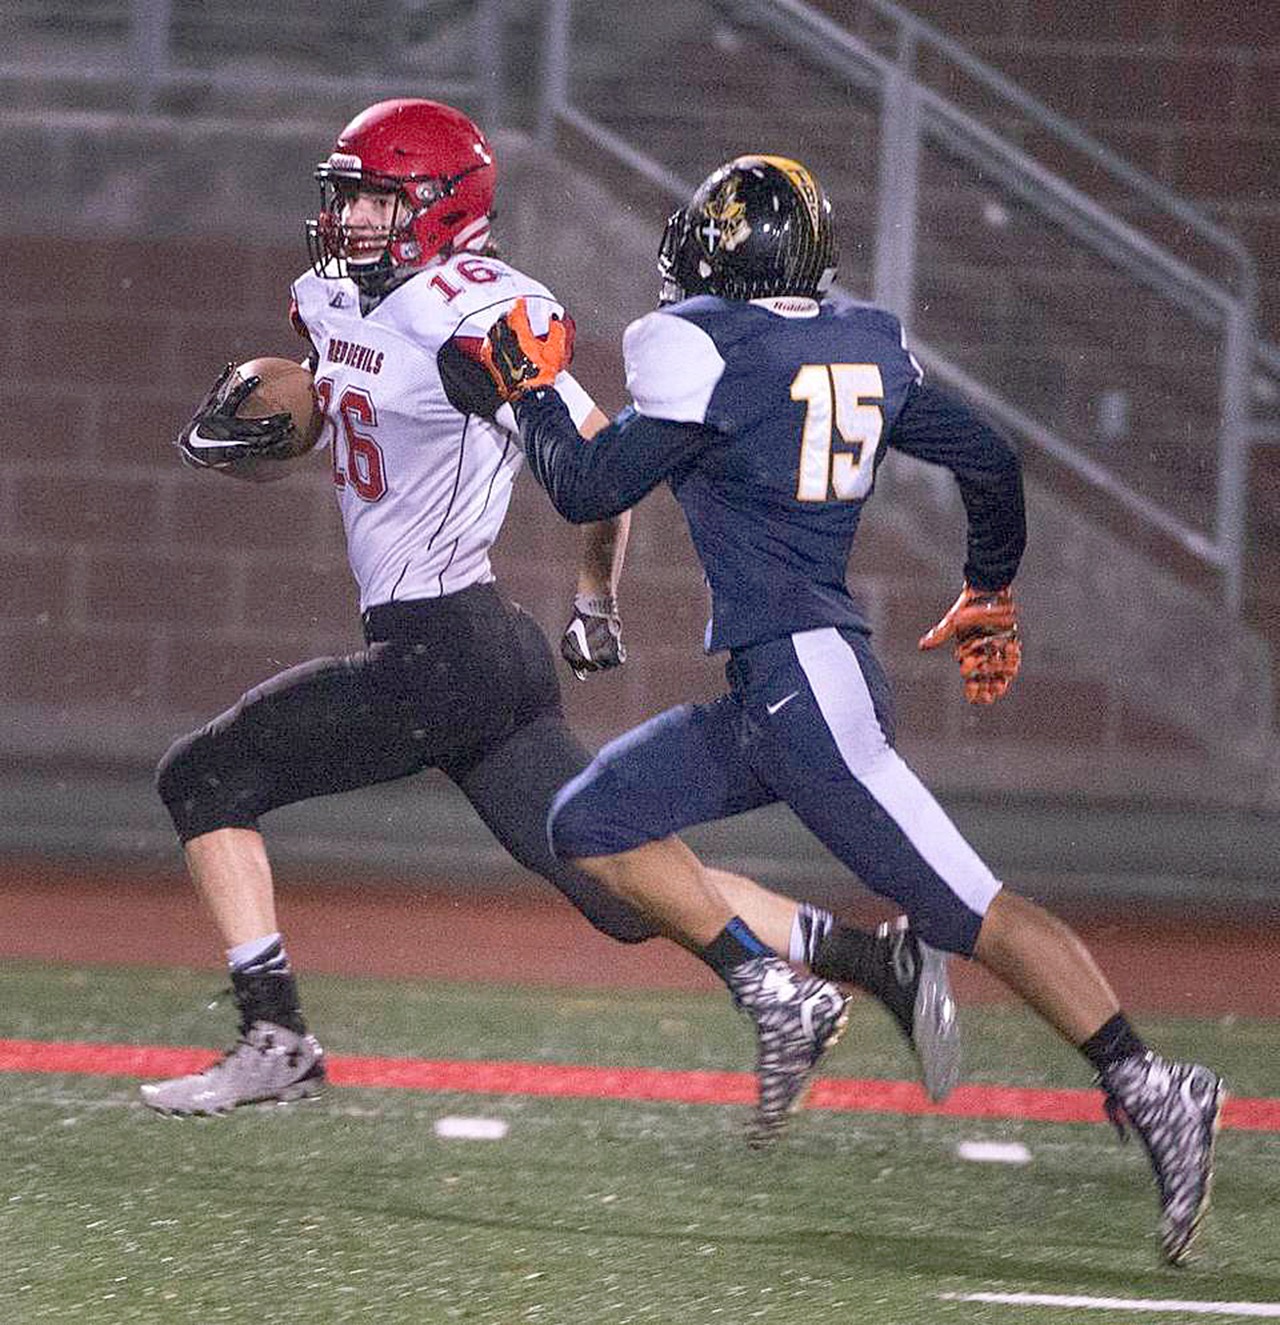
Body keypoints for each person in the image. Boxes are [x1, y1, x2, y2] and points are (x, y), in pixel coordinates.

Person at [140, 101, 961, 1141]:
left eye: (374, 199)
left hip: (441, 653)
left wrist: (595, 594)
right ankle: (871, 959)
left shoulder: (471, 317)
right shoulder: (335, 300)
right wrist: (274, 417)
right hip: (480, 659)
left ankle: (276, 1036)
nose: (348, 218)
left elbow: (600, 459)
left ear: (441, 208)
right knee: (621, 892)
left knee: (203, 777)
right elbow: (342, 403)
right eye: (344, 197)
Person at [478, 153, 1226, 1264]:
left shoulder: (709, 346)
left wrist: (528, 387)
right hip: (773, 691)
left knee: (970, 909)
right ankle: (779, 983)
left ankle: (1151, 1080)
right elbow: (989, 460)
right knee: (589, 821)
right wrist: (988, 587)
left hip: (810, 694)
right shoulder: (860, 340)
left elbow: (588, 484)